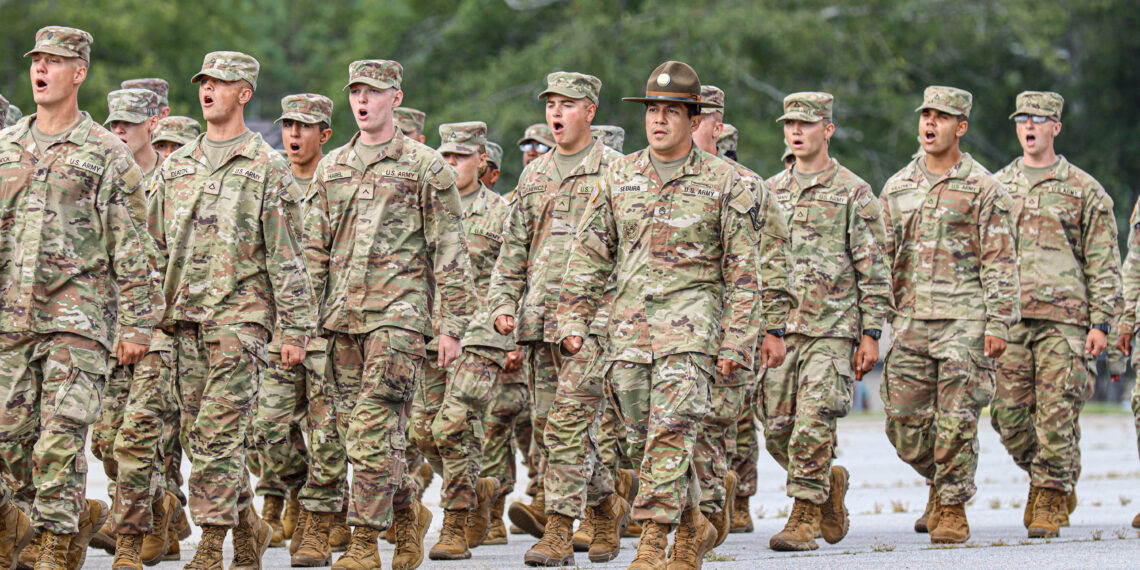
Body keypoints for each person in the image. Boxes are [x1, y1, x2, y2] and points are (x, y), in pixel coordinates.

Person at [557, 60, 762, 569]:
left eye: (672, 111)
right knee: (636, 441)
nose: (659, 120)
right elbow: (589, 254)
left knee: (671, 432)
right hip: (627, 333)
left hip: (692, 332)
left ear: (695, 121)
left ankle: (655, 542)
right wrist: (573, 320)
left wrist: (738, 342)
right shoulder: (619, 176)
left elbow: (743, 274)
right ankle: (693, 520)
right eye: (653, 110)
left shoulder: (724, 183)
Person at [300, 58, 478, 570]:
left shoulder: (427, 167)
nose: (363, 101)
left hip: (399, 321)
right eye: (356, 92)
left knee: (372, 431)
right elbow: (313, 251)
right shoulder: (333, 167)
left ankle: (363, 543)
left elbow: (449, 250)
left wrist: (451, 328)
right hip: (340, 321)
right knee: (356, 434)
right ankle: (406, 518)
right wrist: (301, 322)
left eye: (374, 93)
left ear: (395, 99)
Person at [0, 25, 165, 568]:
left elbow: (135, 248)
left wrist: (139, 324)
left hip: (78, 323)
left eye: (55, 61)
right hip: (10, 320)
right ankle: (17, 523)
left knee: (60, 442)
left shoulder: (107, 155)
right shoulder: (7, 148)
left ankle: (54, 544)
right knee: (8, 444)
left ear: (80, 72)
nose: (41, 70)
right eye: (36, 61)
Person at [148, 50, 316, 569]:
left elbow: (288, 257)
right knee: (202, 440)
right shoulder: (175, 167)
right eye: (203, 82)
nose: (207, 90)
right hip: (183, 324)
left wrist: (295, 330)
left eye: (220, 83)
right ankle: (248, 528)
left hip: (241, 324)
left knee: (219, 438)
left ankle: (211, 545)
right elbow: (151, 249)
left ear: (244, 93)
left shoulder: (267, 168)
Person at [487, 71, 631, 567]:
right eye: (551, 104)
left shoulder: (618, 171)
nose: (556, 113)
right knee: (553, 431)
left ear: (590, 111)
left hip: (594, 323)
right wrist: (503, 305)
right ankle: (607, 505)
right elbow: (514, 249)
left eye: (567, 104)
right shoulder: (535, 174)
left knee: (569, 425)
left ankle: (559, 531)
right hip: (539, 322)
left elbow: (633, 253)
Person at [879, 86, 1019, 544]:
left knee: (957, 421)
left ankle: (954, 507)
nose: (930, 124)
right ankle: (942, 482)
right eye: (926, 115)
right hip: (911, 322)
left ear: (961, 126)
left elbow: (1000, 260)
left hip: (966, 321)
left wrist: (999, 322)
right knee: (903, 424)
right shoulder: (897, 188)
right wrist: (872, 323)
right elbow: (881, 258)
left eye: (941, 117)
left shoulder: (984, 188)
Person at [988, 91, 1121, 539]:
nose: (1029, 126)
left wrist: (1102, 323)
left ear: (1055, 128)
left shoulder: (1085, 190)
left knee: (1056, 414)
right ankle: (1060, 471)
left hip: (1066, 320)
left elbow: (1104, 264)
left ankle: (1047, 496)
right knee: (1006, 415)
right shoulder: (998, 185)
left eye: (1039, 119)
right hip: (1010, 319)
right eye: (1022, 118)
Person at [762, 92, 890, 551]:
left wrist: (871, 334)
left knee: (813, 422)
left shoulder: (853, 192)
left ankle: (802, 517)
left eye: (807, 124)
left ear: (827, 130)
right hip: (781, 330)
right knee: (777, 429)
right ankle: (826, 485)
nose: (796, 132)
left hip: (833, 331)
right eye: (789, 125)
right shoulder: (771, 190)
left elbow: (875, 270)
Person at [690, 84, 794, 547]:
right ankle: (701, 506)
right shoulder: (650, 178)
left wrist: (772, 328)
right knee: (669, 425)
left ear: (718, 125)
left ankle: (707, 513)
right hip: (672, 328)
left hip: (734, 328)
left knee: (712, 421)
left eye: (703, 116)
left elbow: (774, 261)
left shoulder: (749, 186)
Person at [252, 93, 335, 548]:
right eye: (288, 126)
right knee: (264, 428)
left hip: (327, 331)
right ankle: (299, 488)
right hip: (278, 330)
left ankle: (320, 519)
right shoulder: (270, 179)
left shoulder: (338, 180)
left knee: (329, 435)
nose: (294, 135)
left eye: (305, 127)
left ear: (324, 134)